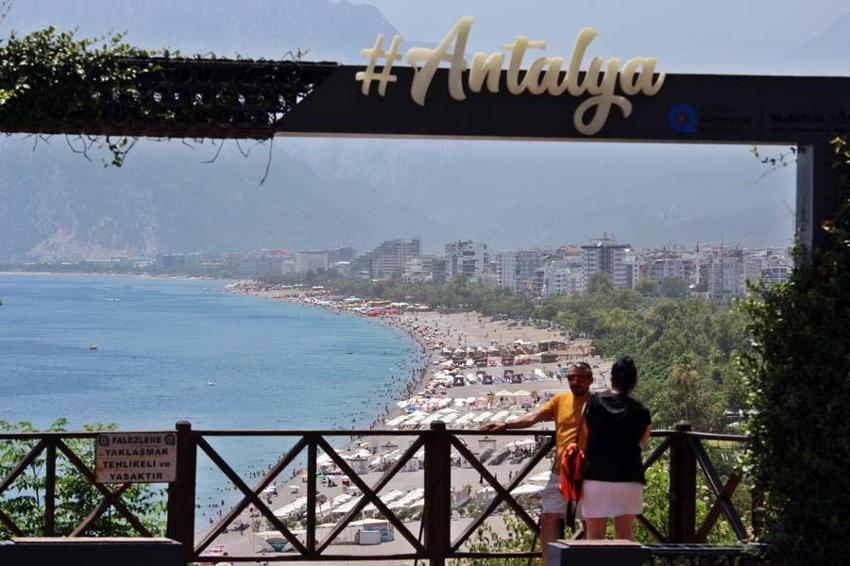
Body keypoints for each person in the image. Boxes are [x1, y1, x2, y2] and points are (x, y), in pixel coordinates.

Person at [481, 362, 593, 565]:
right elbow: (534, 417)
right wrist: (506, 425)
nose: (575, 381)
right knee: (548, 518)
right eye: (571, 377)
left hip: (589, 473)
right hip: (561, 471)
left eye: (580, 377)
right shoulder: (560, 400)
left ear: (590, 380)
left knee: (590, 523)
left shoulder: (598, 402)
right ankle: (549, 563)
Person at [580, 356, 651, 541]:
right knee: (625, 536)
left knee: (594, 537)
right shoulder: (641, 410)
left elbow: (586, 431)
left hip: (596, 475)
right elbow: (643, 440)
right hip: (629, 476)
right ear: (634, 382)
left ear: (612, 379)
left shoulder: (594, 402)